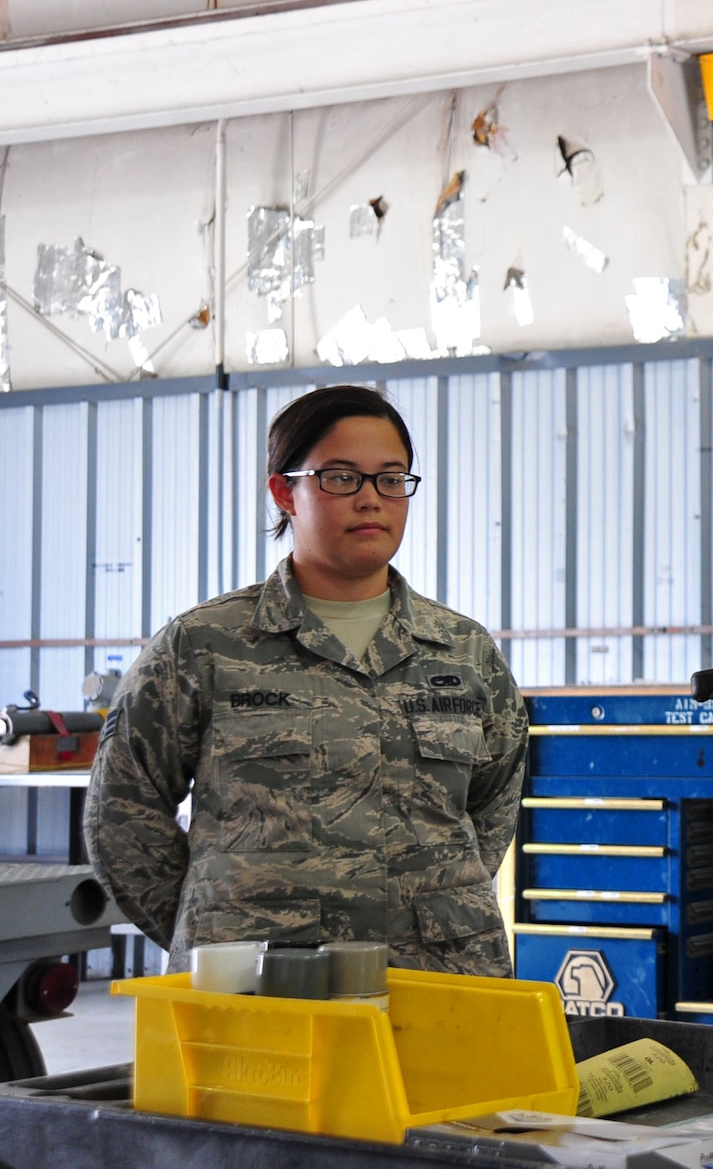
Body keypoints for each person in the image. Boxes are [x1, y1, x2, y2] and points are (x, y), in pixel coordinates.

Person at [86, 385, 529, 976]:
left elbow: (491, 809)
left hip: (436, 979)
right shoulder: (203, 645)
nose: (371, 499)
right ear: (284, 491)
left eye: (391, 479)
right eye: (341, 477)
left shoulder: (464, 652)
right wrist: (217, 927)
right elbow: (121, 810)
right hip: (258, 987)